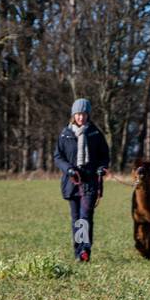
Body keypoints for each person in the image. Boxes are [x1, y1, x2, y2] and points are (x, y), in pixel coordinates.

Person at [53, 99, 110, 262]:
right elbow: (58, 157)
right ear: (73, 115)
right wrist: (68, 169)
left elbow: (104, 156)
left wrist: (102, 167)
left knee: (85, 218)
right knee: (76, 218)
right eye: (78, 114)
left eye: (84, 114)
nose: (81, 117)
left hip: (89, 182)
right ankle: (78, 251)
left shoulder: (95, 134)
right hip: (71, 182)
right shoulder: (65, 134)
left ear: (88, 115)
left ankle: (85, 251)